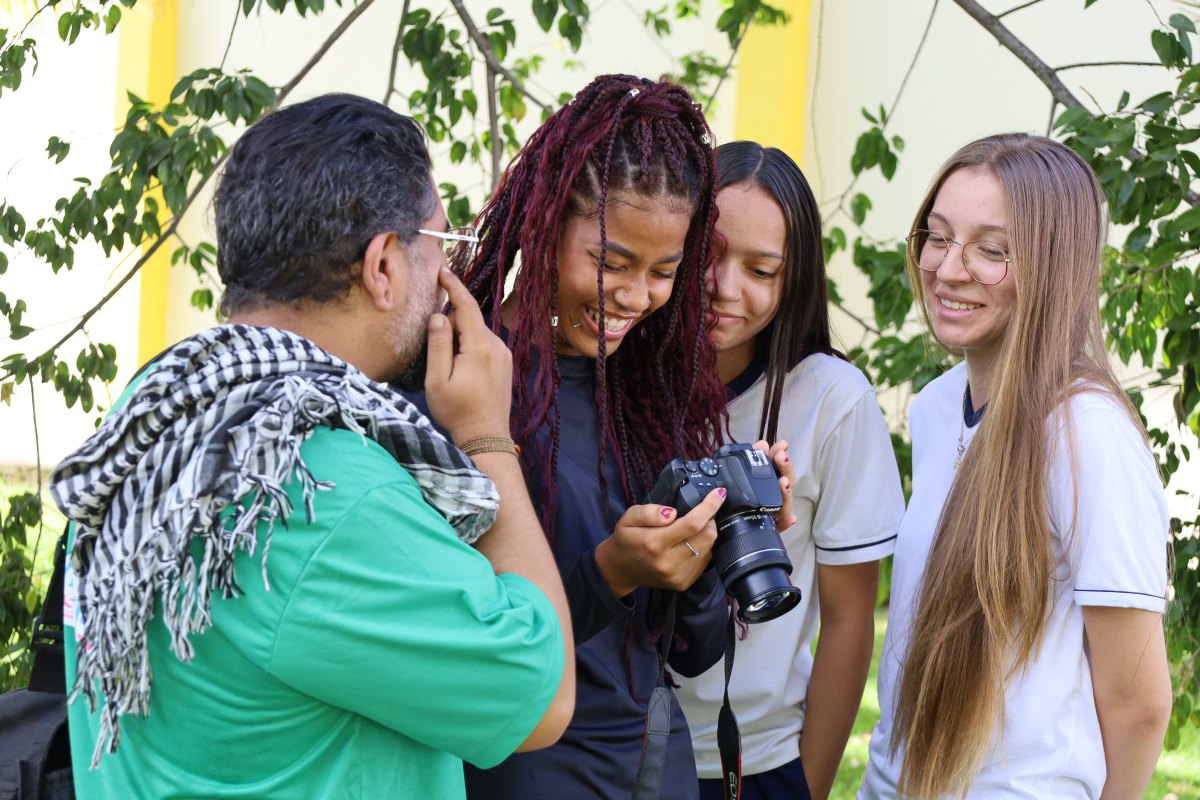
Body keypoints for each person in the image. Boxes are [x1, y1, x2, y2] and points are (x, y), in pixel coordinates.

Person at [48, 93, 574, 799]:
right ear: (383, 265)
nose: (447, 277)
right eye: (440, 244)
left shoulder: (164, 406)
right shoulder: (324, 489)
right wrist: (487, 436)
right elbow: (543, 700)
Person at [456, 75, 794, 800]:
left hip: (653, 769)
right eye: (611, 262)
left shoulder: (649, 392)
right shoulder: (468, 385)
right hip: (522, 774)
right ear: (545, 223)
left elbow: (691, 654)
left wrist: (712, 546)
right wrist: (611, 571)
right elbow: (466, 645)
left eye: (665, 271)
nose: (636, 297)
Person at [861, 133, 1172, 798]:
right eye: (938, 236)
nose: (949, 269)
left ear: (1051, 267)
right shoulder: (937, 406)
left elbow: (1139, 705)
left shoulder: (1087, 433)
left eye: (992, 250)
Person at [673, 141, 904, 800]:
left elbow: (850, 620)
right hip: (619, 742)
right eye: (708, 253)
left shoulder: (832, 398)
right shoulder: (617, 371)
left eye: (761, 269)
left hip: (761, 759)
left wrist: (811, 784)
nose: (725, 287)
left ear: (793, 279)